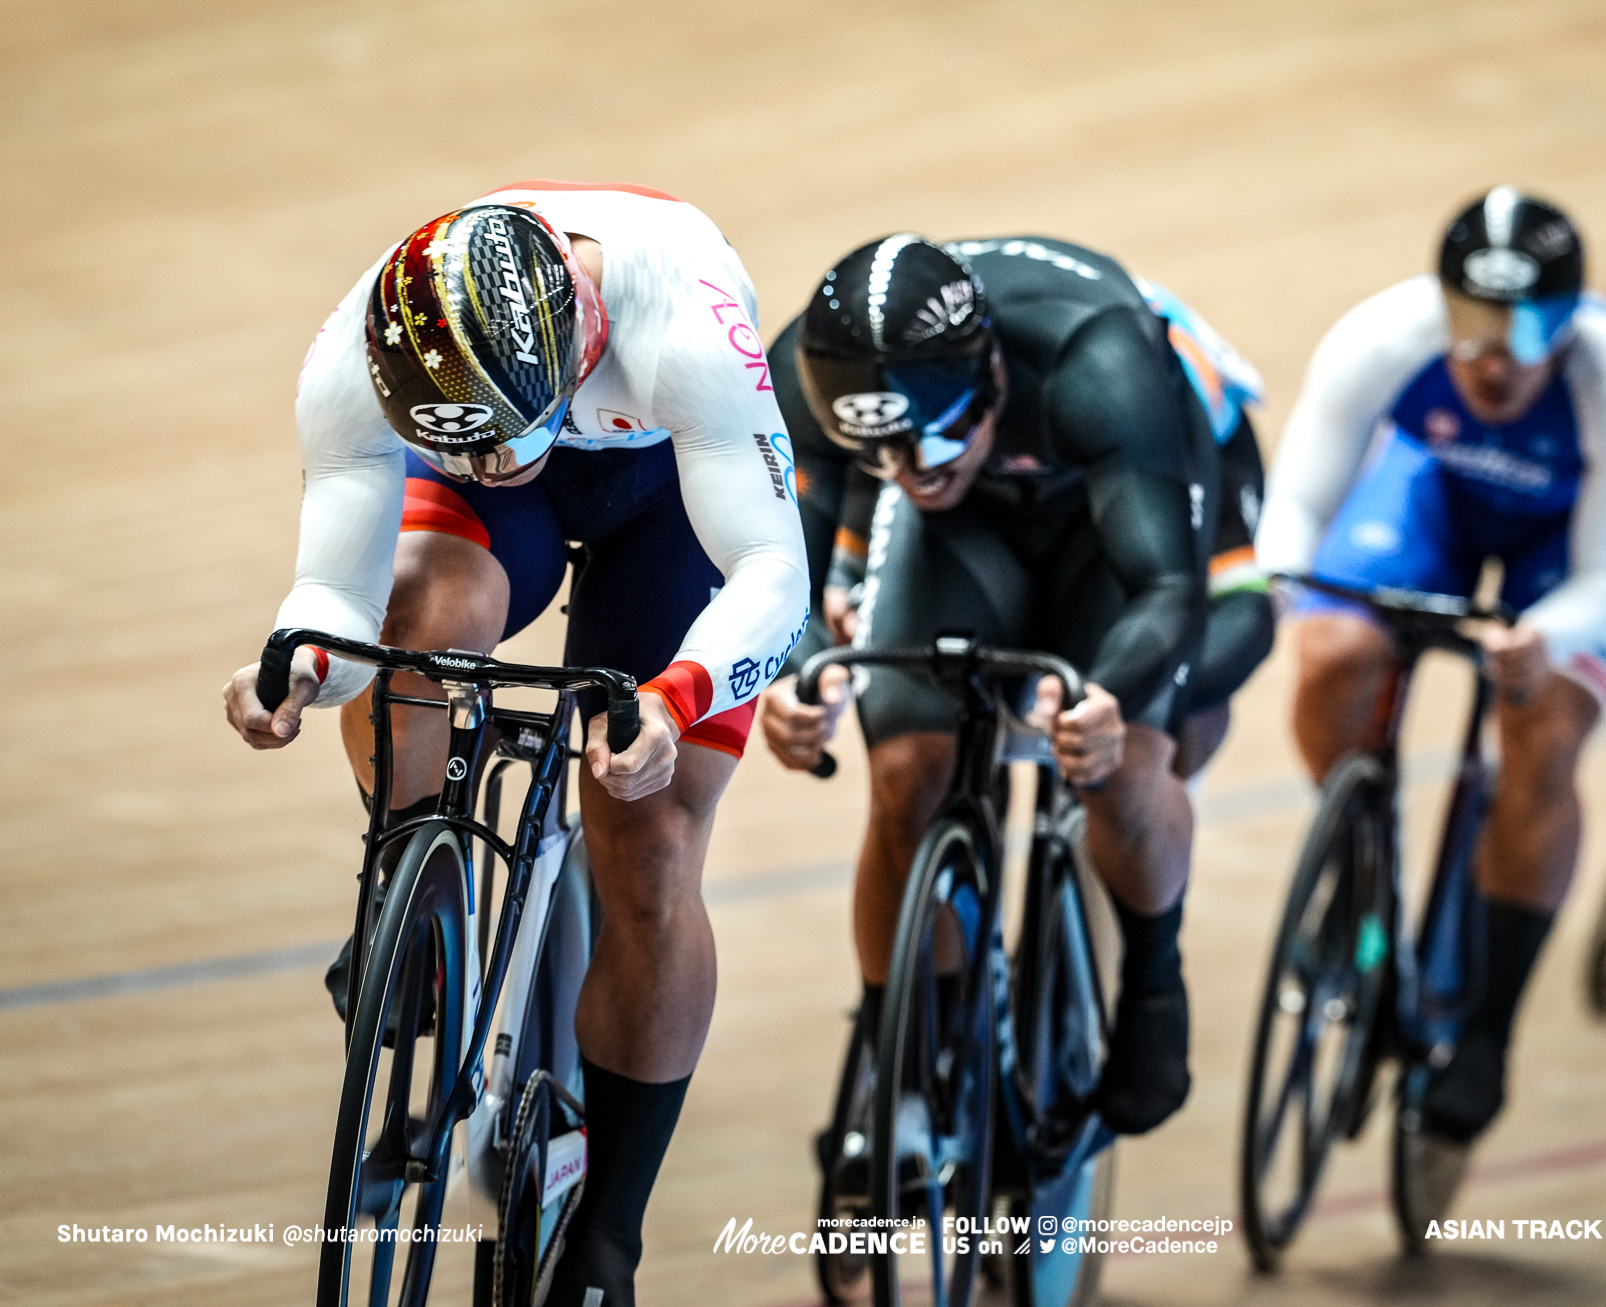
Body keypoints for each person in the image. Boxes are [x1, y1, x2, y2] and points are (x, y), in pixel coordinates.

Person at [219, 181, 809, 1306]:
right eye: (467, 449)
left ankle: (608, 1237)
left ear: (581, 335)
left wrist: (676, 699)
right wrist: (301, 664)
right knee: (417, 636)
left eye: (504, 442)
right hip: (516, 461)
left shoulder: (681, 323)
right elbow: (337, 593)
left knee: (648, 834)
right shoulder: (368, 347)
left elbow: (774, 574)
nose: (492, 465)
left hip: (670, 497)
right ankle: (415, 887)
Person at [759, 233, 1253, 1142]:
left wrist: (1106, 699)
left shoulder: (1094, 360)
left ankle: (1151, 982)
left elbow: (1164, 589)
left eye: (936, 440)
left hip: (1114, 531)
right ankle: (902, 1058)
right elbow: (774, 570)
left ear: (991, 379)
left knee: (1126, 764)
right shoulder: (806, 367)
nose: (909, 472)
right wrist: (788, 683)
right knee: (907, 777)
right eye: (879, 456)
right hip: (967, 537)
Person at [1255, 187, 1606, 1230]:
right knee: (1336, 642)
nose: (1492, 359)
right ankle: (1356, 858)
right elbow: (1298, 506)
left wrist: (1542, 638)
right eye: (1473, 328)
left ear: (1569, 320)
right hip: (1427, 498)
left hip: (1560, 555)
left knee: (1540, 724)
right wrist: (1275, 582)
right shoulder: (1384, 336)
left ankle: (1485, 1023)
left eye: (1523, 334)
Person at [811, 276, 1276, 782]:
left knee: (1172, 720)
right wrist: (850, 566)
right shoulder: (953, 380)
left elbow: (1246, 611)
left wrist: (1139, 695)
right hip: (1005, 477)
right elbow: (884, 446)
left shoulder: (1143, 403)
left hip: (1170, 464)